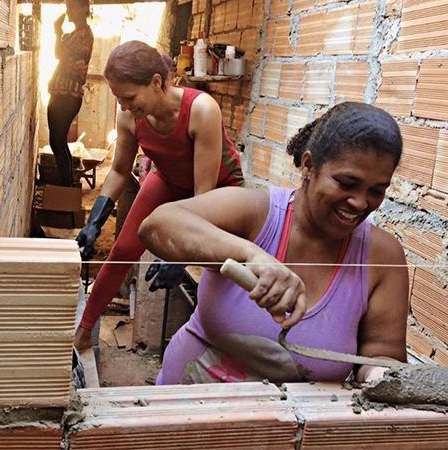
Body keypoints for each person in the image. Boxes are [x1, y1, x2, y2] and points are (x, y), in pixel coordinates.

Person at [138, 102, 409, 385]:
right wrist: (251, 255)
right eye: (346, 183)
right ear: (308, 165)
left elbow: (381, 354)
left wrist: (380, 376)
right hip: (187, 401)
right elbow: (157, 225)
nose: (361, 203)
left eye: (376, 191)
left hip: (294, 415)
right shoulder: (257, 214)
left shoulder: (382, 256)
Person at [74, 40, 244, 349]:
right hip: (169, 179)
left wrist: (182, 255)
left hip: (217, 191)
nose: (124, 105)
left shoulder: (202, 110)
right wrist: (95, 220)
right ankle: (84, 331)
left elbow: (203, 197)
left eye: (129, 97)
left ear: (155, 82)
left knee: (216, 265)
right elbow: (119, 171)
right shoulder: (128, 116)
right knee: (124, 249)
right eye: (117, 97)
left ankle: (217, 343)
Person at [47, 0, 94, 187]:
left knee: (57, 142)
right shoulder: (74, 34)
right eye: (68, 6)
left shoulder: (84, 35)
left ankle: (65, 188)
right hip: (62, 93)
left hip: (68, 95)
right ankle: (66, 186)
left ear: (84, 9)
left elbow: (60, 54)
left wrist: (57, 31)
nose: (68, 10)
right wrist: (58, 32)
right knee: (57, 142)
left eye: (72, 6)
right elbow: (58, 53)